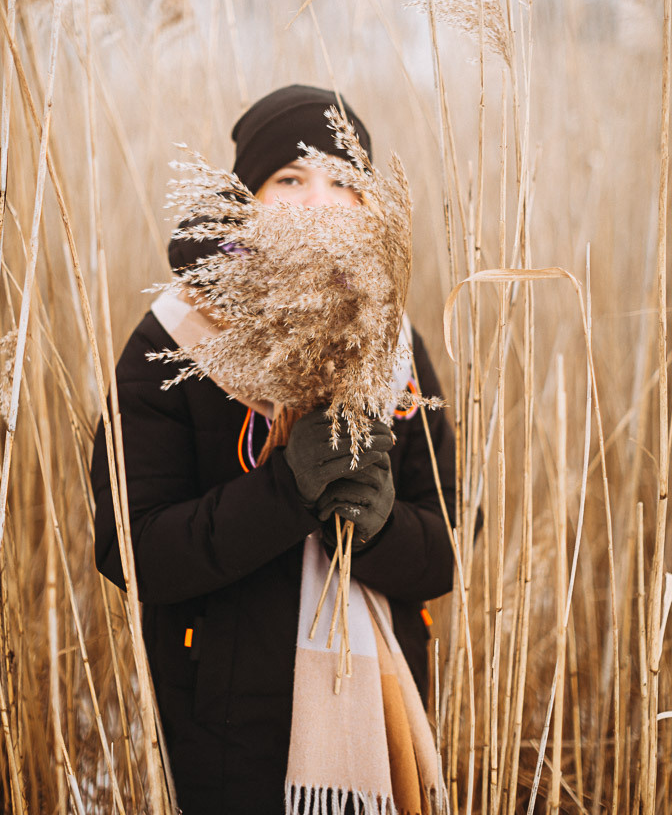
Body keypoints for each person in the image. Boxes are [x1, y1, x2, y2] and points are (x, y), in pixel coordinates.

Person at [90, 85, 456, 815]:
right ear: (246, 198)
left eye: (343, 181)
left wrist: (379, 525)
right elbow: (134, 551)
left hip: (378, 708)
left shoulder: (390, 344)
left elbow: (445, 549)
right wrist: (286, 491)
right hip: (223, 721)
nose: (319, 202)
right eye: (290, 179)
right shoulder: (175, 338)